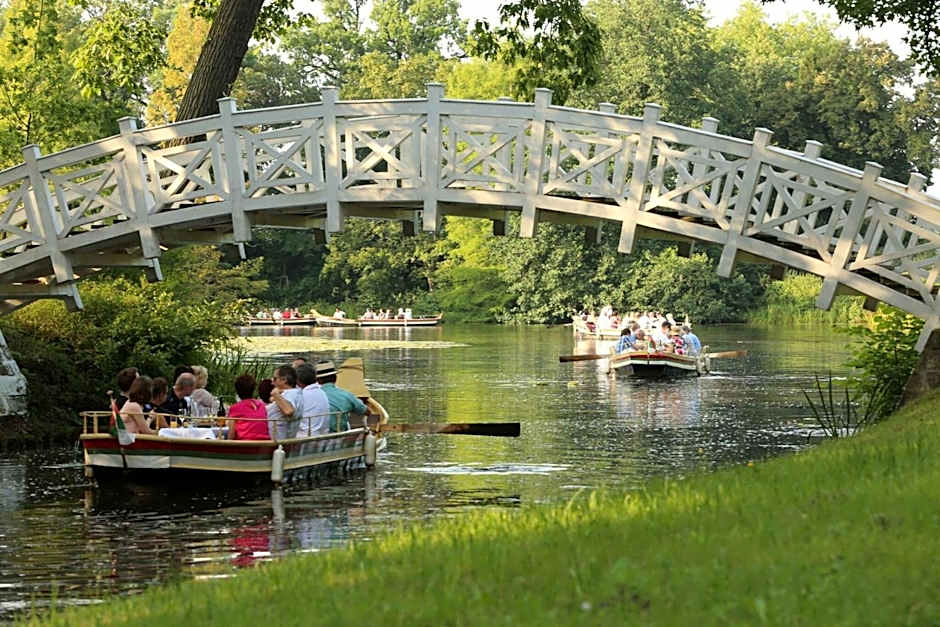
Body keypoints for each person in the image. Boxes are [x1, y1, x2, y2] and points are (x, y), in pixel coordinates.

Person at [316, 361, 368, 432]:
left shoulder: (311, 396)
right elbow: (365, 411)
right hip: (340, 435)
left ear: (318, 380)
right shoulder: (346, 395)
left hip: (317, 435)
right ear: (335, 378)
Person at [227, 374, 270, 441]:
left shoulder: (235, 408)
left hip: (245, 444)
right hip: (265, 443)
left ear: (237, 391)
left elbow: (231, 435)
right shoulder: (262, 405)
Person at [268, 365, 304, 440]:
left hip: (278, 442)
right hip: (281, 439)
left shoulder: (290, 394)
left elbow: (289, 411)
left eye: (275, 379)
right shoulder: (295, 393)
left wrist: (275, 394)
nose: (272, 382)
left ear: (284, 380)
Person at [296, 363, 331, 436]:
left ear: (298, 381)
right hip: (322, 435)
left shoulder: (302, 395)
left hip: (305, 438)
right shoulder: (322, 392)